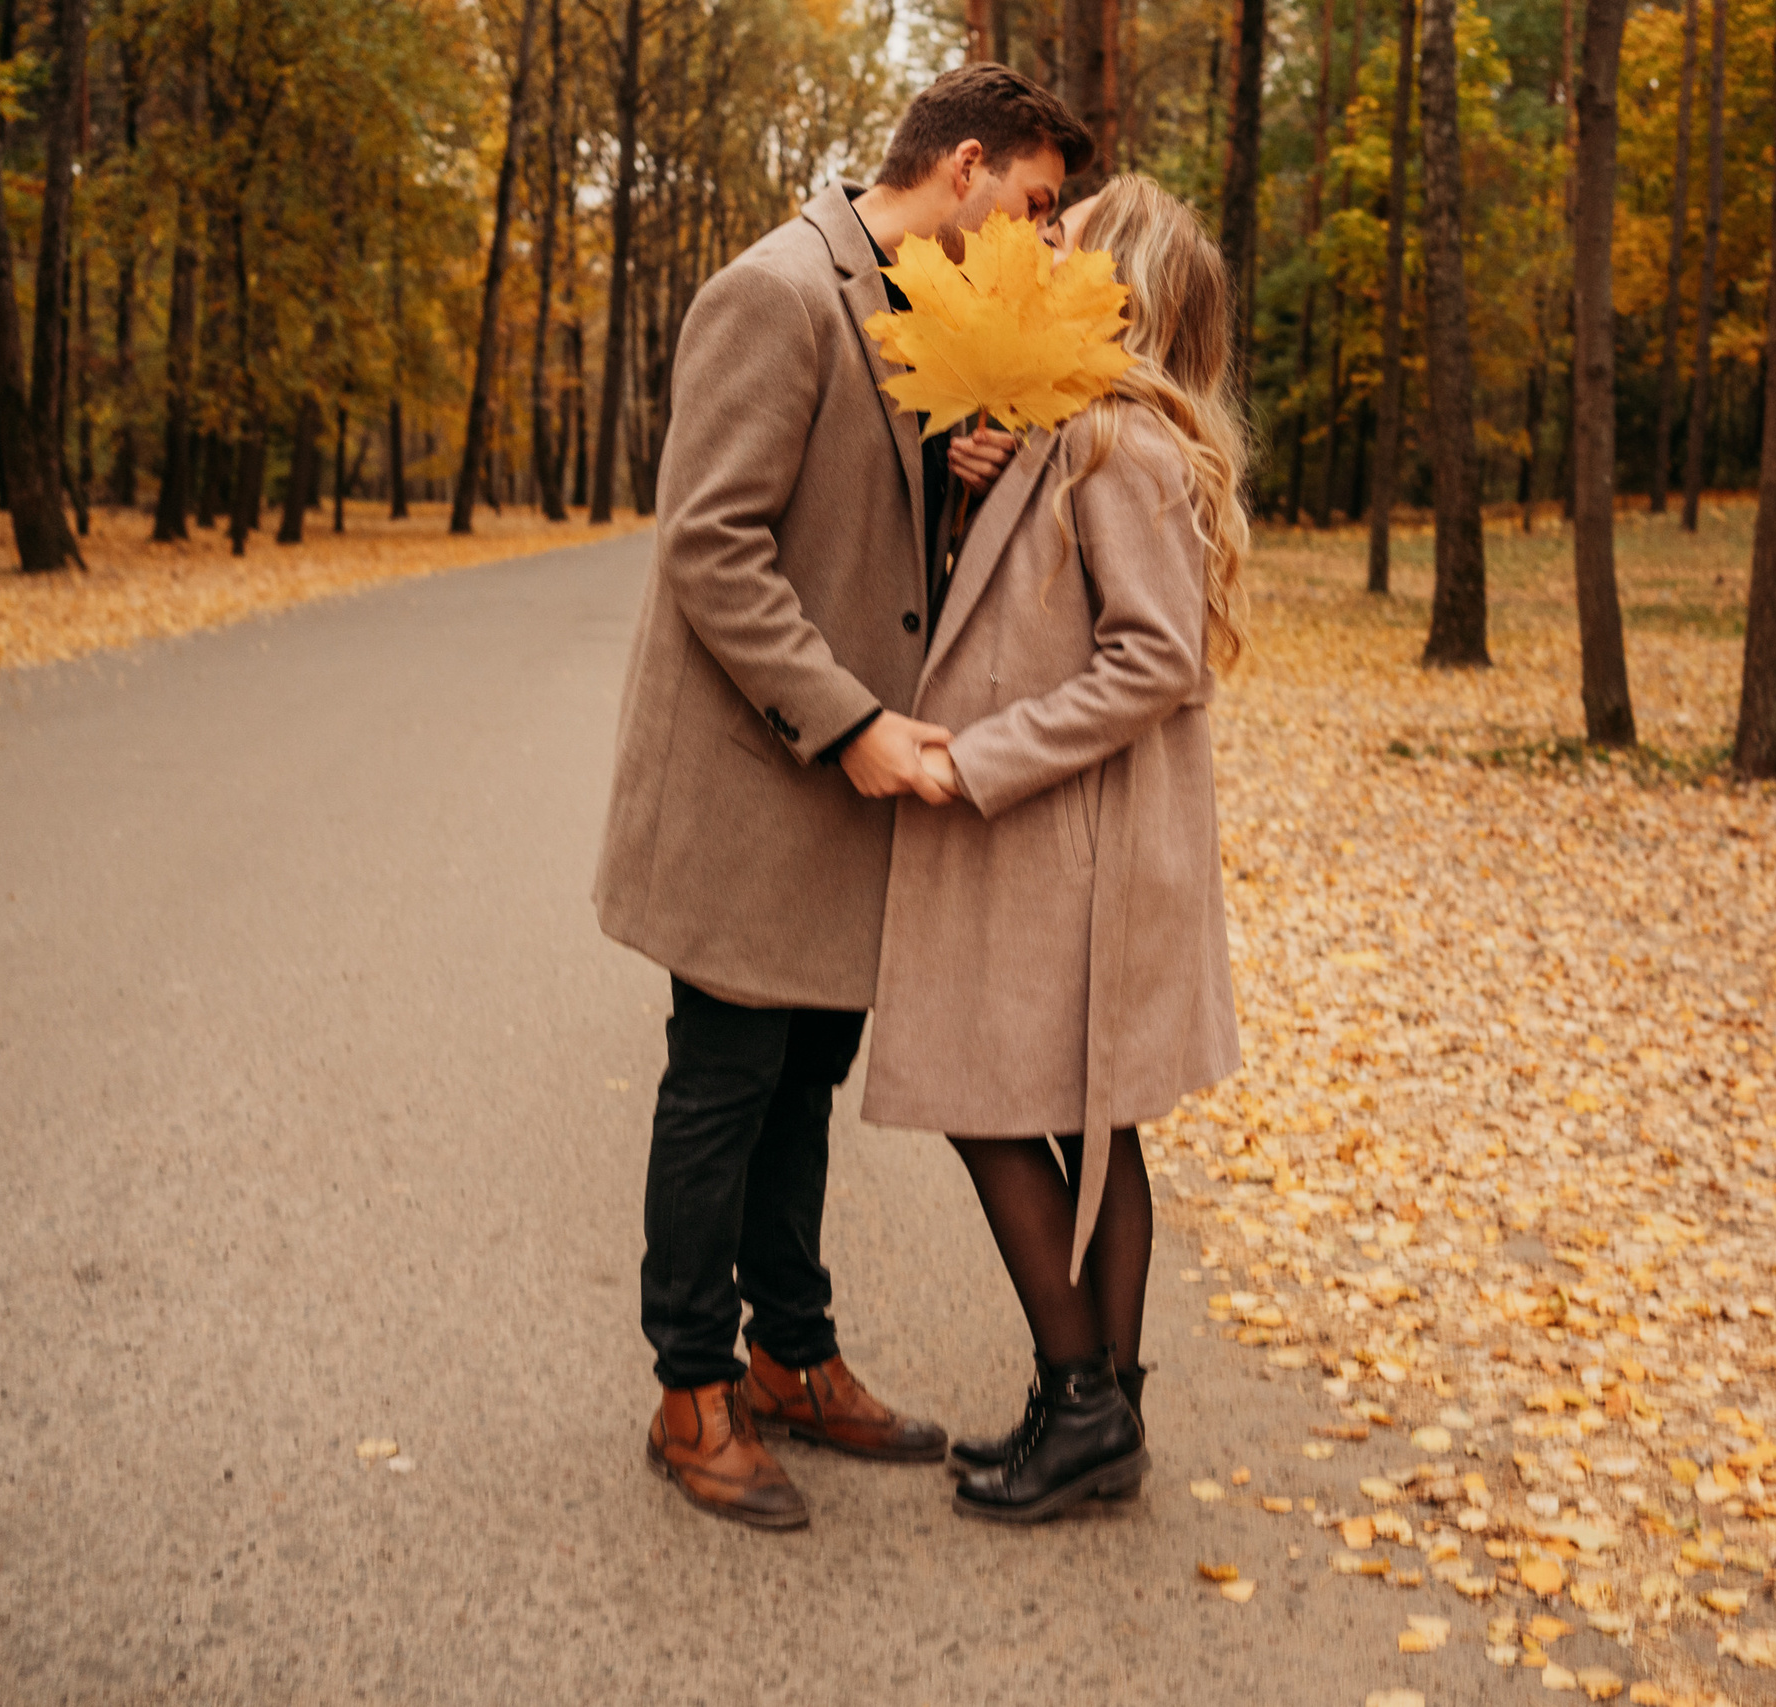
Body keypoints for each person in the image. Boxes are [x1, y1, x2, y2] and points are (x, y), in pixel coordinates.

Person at [593, 65, 1095, 1532]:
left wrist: (959, 474)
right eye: (1035, 204)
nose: (1040, 239)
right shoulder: (777, 292)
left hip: (840, 801)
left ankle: (791, 1352)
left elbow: (868, 536)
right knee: (721, 1090)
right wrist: (856, 724)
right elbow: (713, 547)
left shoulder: (911, 305)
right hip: (756, 783)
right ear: (965, 166)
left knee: (800, 1085)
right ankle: (691, 1391)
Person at [859, 177, 1249, 1523]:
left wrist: (978, 760)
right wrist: (986, 484)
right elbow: (1032, 609)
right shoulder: (1069, 436)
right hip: (1062, 843)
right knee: (1090, 1116)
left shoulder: (1116, 446)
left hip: (1067, 844)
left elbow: (1154, 658)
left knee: (992, 1100)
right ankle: (1097, 1409)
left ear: (1111, 289)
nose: (1034, 250)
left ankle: (1087, 1400)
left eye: (1063, 241)